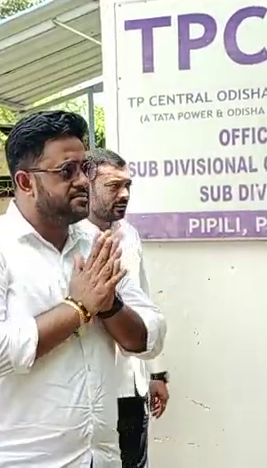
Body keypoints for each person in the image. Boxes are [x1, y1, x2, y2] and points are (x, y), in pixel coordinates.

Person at [0, 110, 167, 467]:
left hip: (97, 457)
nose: (82, 181)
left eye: (85, 168)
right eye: (67, 171)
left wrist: (109, 306)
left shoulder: (95, 243)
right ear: (25, 181)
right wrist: (77, 308)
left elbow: (149, 336)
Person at [82, 149, 170, 468]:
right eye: (113, 186)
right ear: (86, 185)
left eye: (127, 185)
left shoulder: (129, 235)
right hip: (95, 390)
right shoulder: (73, 242)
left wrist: (157, 372)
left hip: (133, 384)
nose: (124, 194)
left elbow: (145, 302)